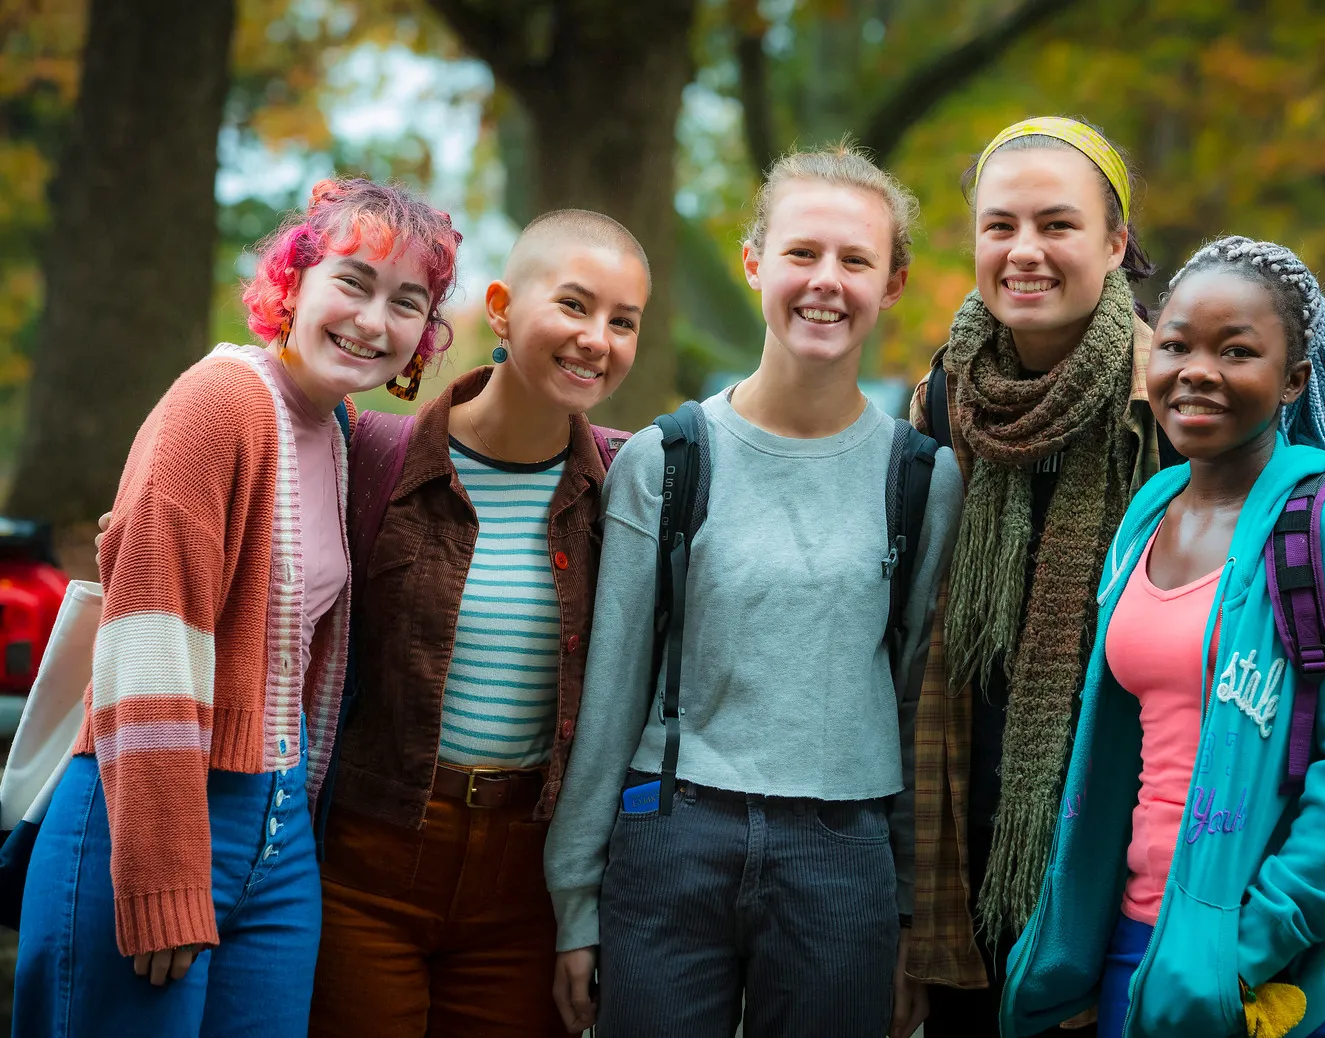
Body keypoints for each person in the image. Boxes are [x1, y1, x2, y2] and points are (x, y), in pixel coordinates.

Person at [13, 177, 461, 1037]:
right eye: (354, 283)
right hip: (149, 812)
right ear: (292, 285)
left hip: (278, 827)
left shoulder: (338, 437)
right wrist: (162, 870)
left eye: (408, 303)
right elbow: (148, 640)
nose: (374, 320)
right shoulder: (217, 405)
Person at [543, 144, 964, 1038]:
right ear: (753, 262)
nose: (826, 282)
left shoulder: (923, 479)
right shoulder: (667, 460)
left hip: (843, 861)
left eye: (856, 261)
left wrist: (907, 914)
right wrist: (576, 900)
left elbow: (916, 702)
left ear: (892, 284)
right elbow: (612, 691)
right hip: (672, 836)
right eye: (802, 253)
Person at [1002, 236, 1325, 1038]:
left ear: (1295, 379)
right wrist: (1078, 940)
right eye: (1176, 344)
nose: (1196, 370)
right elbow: (1116, 752)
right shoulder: (1148, 512)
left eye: (1236, 350)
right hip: (1133, 944)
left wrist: (1240, 951)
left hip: (1261, 964)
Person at [307, 210, 650, 1037]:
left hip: (528, 882)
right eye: (572, 305)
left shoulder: (632, 483)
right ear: (500, 306)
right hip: (369, 864)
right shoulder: (368, 456)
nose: (595, 339)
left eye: (623, 321)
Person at [905, 116, 1168, 1035]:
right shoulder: (944, 396)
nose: (1024, 251)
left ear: (1115, 242)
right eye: (999, 225)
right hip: (962, 851)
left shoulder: (1173, 406)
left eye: (1056, 225)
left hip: (1121, 861)